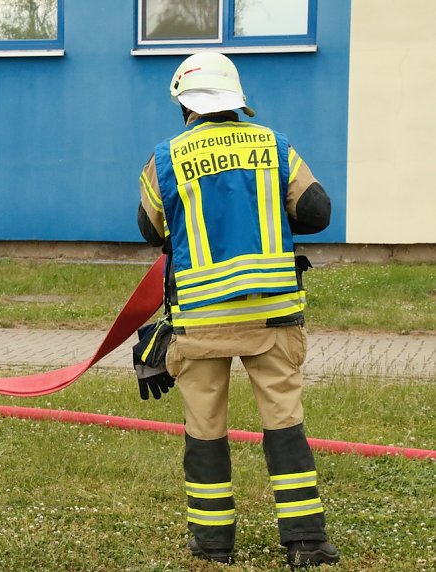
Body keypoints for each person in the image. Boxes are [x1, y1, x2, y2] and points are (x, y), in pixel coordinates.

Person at [136, 52, 339, 568]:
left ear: (184, 103)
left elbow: (151, 229)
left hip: (201, 322)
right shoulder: (275, 146)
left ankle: (212, 543)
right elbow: (316, 211)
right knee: (284, 423)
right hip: (272, 317)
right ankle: (306, 542)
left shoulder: (165, 158)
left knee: (204, 427)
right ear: (236, 101)